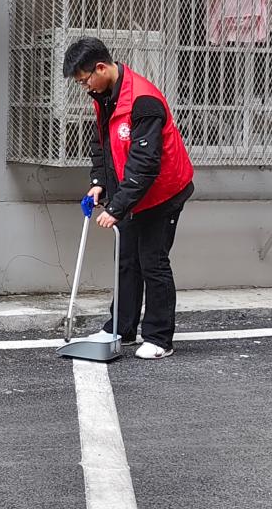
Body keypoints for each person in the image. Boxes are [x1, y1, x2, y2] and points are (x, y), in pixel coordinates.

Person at [63, 37, 194, 360]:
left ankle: (160, 338)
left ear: (101, 67)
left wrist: (118, 207)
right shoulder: (103, 95)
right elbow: (102, 144)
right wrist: (99, 184)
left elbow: (145, 164)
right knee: (126, 260)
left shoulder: (143, 101)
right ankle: (121, 328)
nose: (84, 87)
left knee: (153, 261)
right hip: (132, 191)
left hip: (163, 192)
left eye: (84, 80)